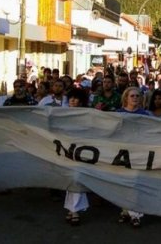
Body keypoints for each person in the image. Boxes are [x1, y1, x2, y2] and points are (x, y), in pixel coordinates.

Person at [116, 86, 148, 226]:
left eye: (137, 96)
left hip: (139, 152)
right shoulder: (118, 114)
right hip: (121, 151)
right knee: (123, 182)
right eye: (132, 96)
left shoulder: (145, 115)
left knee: (136, 182)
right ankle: (124, 210)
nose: (135, 98)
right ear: (126, 98)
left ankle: (136, 214)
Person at [63, 88, 90, 226]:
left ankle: (74, 210)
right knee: (71, 179)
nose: (72, 100)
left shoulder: (87, 115)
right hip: (66, 151)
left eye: (76, 98)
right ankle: (72, 208)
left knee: (77, 178)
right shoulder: (61, 114)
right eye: (71, 97)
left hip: (82, 152)